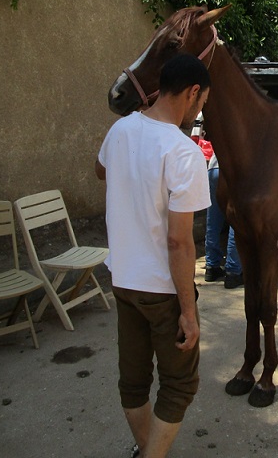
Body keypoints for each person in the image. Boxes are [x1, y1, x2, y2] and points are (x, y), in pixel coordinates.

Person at [95, 54, 211, 458]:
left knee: (134, 380)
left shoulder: (120, 129)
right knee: (179, 384)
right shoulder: (184, 153)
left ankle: (146, 449)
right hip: (160, 289)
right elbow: (180, 243)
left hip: (123, 279)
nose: (201, 109)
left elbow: (100, 170)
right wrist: (188, 311)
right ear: (193, 92)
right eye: (203, 100)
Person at [203, 152, 244, 289]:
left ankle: (211, 266)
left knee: (213, 220)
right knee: (237, 220)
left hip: (214, 167)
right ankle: (233, 272)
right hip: (235, 169)